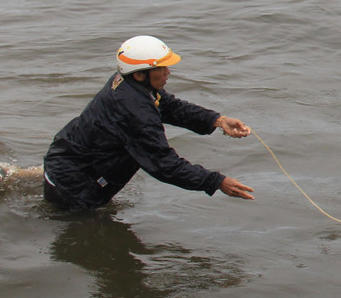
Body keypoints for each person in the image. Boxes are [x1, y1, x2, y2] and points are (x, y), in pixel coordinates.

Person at [43, 35, 254, 211]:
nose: (168, 72)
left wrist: (217, 120)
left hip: (67, 154)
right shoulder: (134, 110)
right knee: (87, 229)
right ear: (140, 74)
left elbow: (170, 107)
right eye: (161, 68)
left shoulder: (128, 82)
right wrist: (217, 182)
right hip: (73, 185)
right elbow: (163, 164)